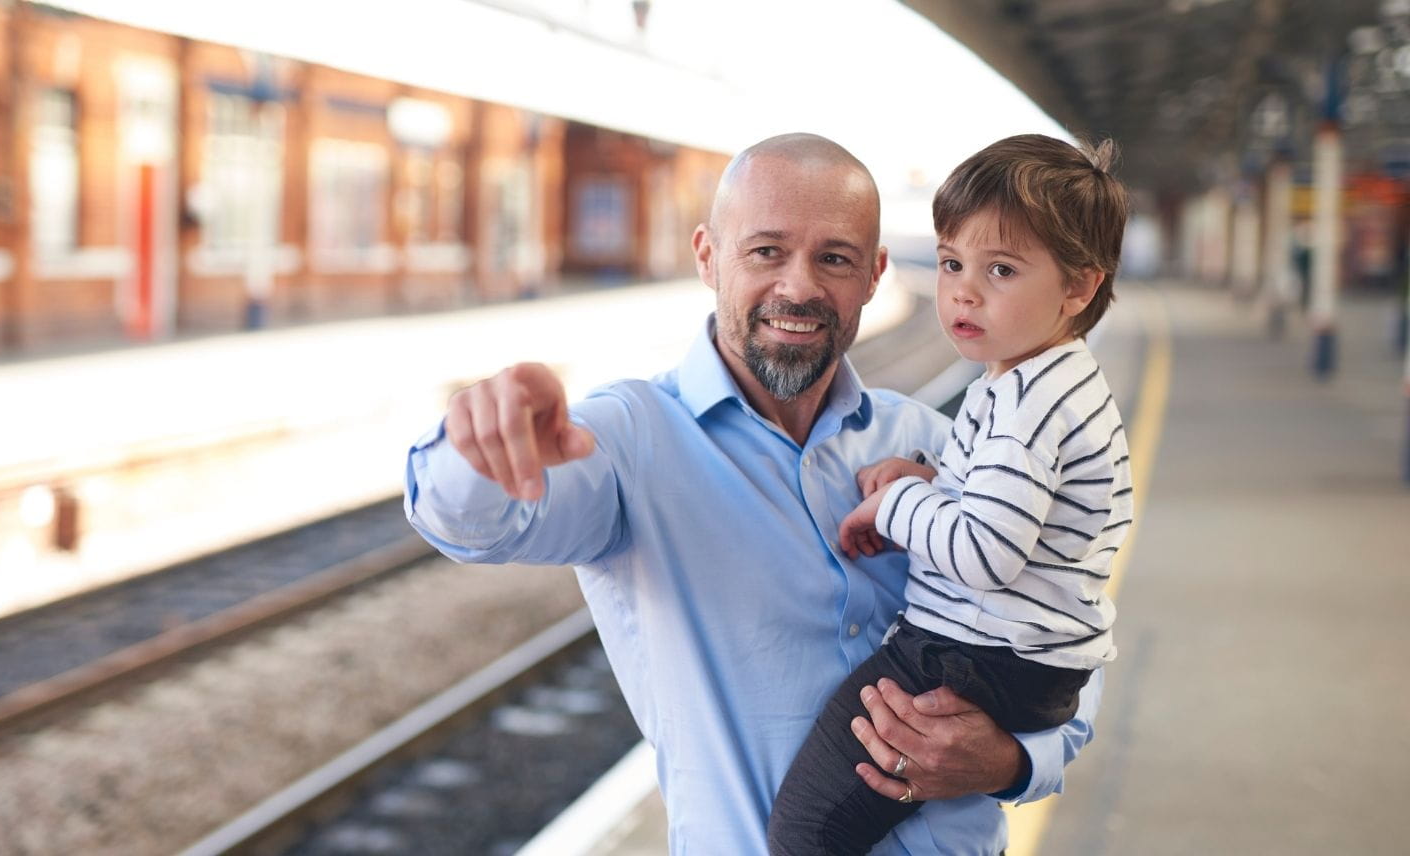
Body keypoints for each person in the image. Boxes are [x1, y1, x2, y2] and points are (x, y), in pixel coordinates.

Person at [404, 132, 1102, 855]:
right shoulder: (633, 438)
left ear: (874, 275)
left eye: (834, 258)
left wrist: (1011, 762)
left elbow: (1062, 636)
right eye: (766, 251)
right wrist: (474, 447)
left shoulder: (938, 440)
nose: (798, 288)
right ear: (708, 257)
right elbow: (472, 525)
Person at [766, 134, 1130, 855]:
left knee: (806, 830)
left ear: (1078, 288)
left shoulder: (1028, 404)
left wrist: (893, 508)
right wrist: (933, 481)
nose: (964, 290)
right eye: (951, 263)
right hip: (1028, 659)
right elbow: (1013, 507)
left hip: (977, 655)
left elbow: (986, 554)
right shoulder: (1040, 377)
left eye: (1000, 269)